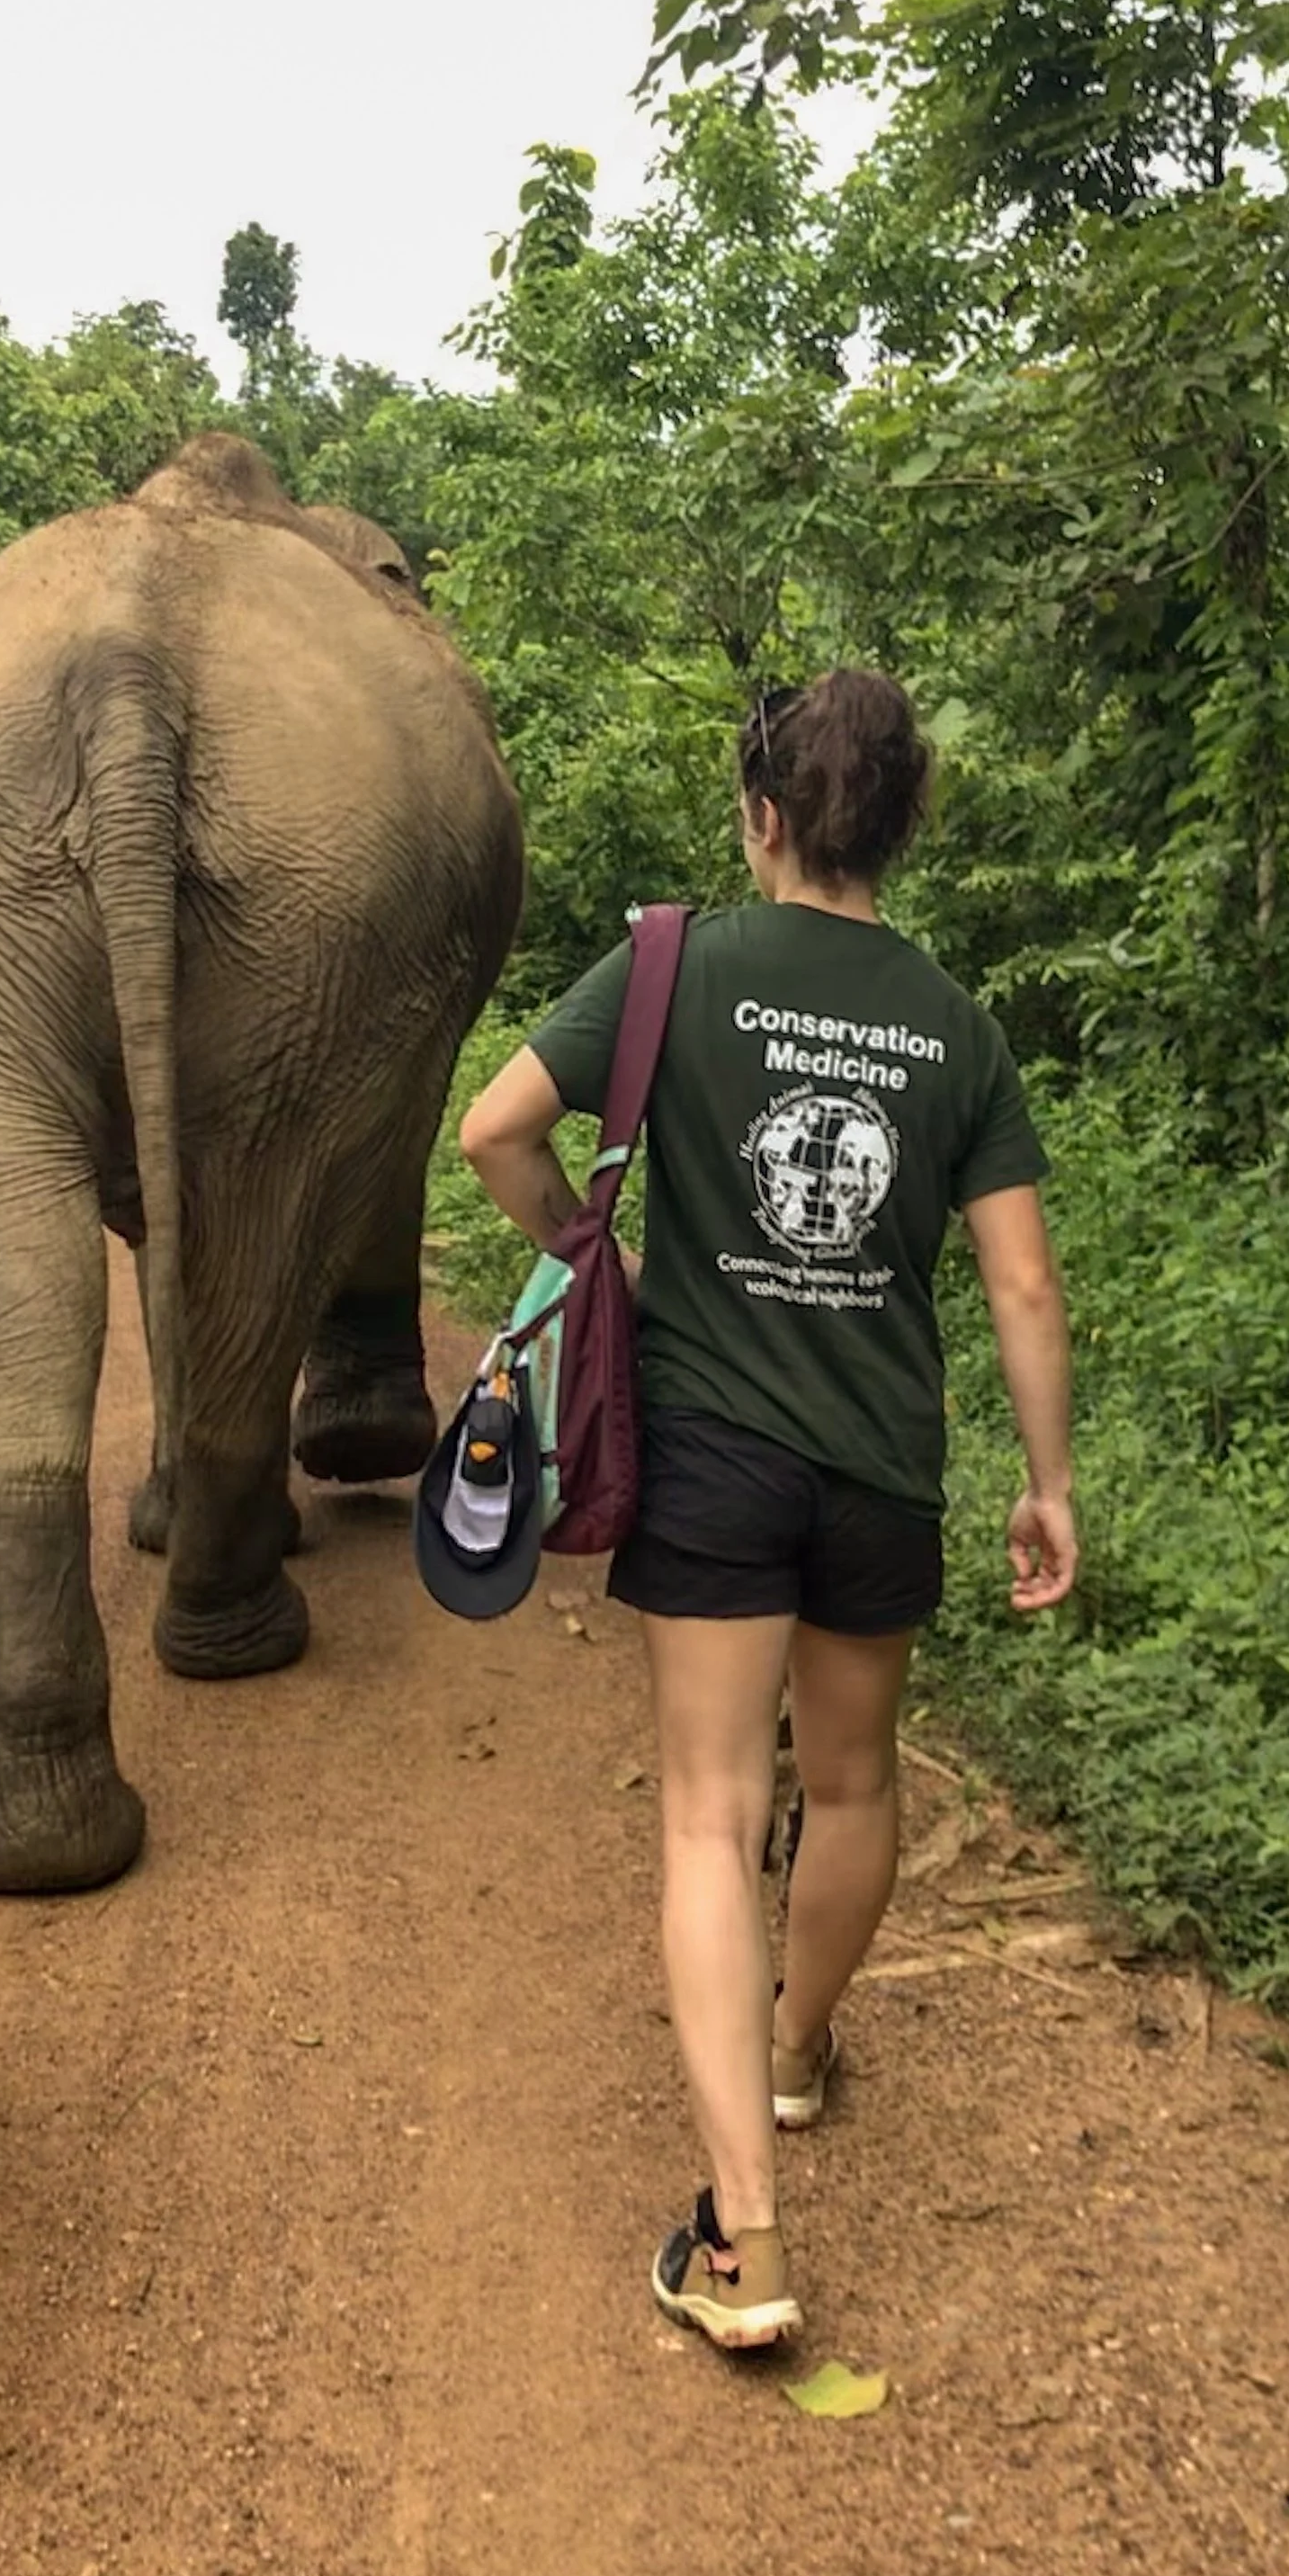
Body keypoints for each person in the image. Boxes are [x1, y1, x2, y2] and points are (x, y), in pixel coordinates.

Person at [459, 667, 1077, 2348]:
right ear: (901, 831)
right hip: (883, 1463)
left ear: (763, 817)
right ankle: (798, 2051)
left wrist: (607, 1266)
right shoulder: (957, 1023)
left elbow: (498, 1132)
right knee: (855, 1781)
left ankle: (744, 2244)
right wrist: (1048, 1482)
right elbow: (1022, 1287)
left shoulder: (677, 962)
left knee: (711, 1817)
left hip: (716, 1451)